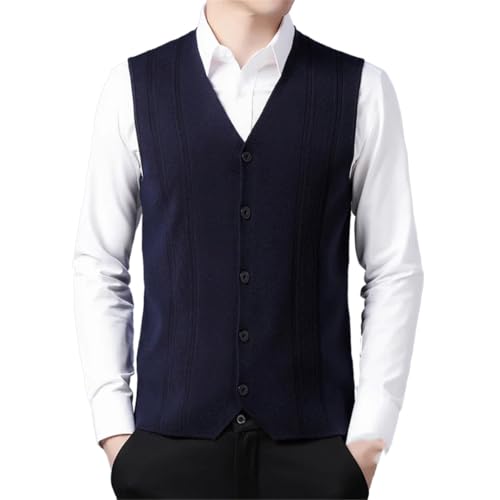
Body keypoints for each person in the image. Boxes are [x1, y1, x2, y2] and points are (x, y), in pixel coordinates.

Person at [72, 0, 424, 498]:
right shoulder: (133, 87)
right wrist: (115, 434)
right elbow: (100, 264)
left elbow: (393, 270)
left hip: (314, 456)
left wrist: (368, 438)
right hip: (167, 455)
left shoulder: (362, 89)